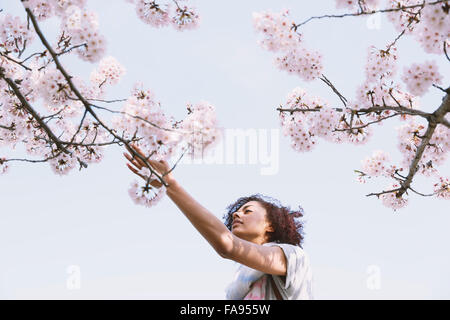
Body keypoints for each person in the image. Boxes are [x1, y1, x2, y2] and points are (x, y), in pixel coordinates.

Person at [123, 144, 314, 300]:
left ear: (270, 225)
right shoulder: (239, 282)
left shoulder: (293, 257)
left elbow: (227, 246)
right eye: (236, 212)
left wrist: (171, 185)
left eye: (247, 211)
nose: (236, 215)